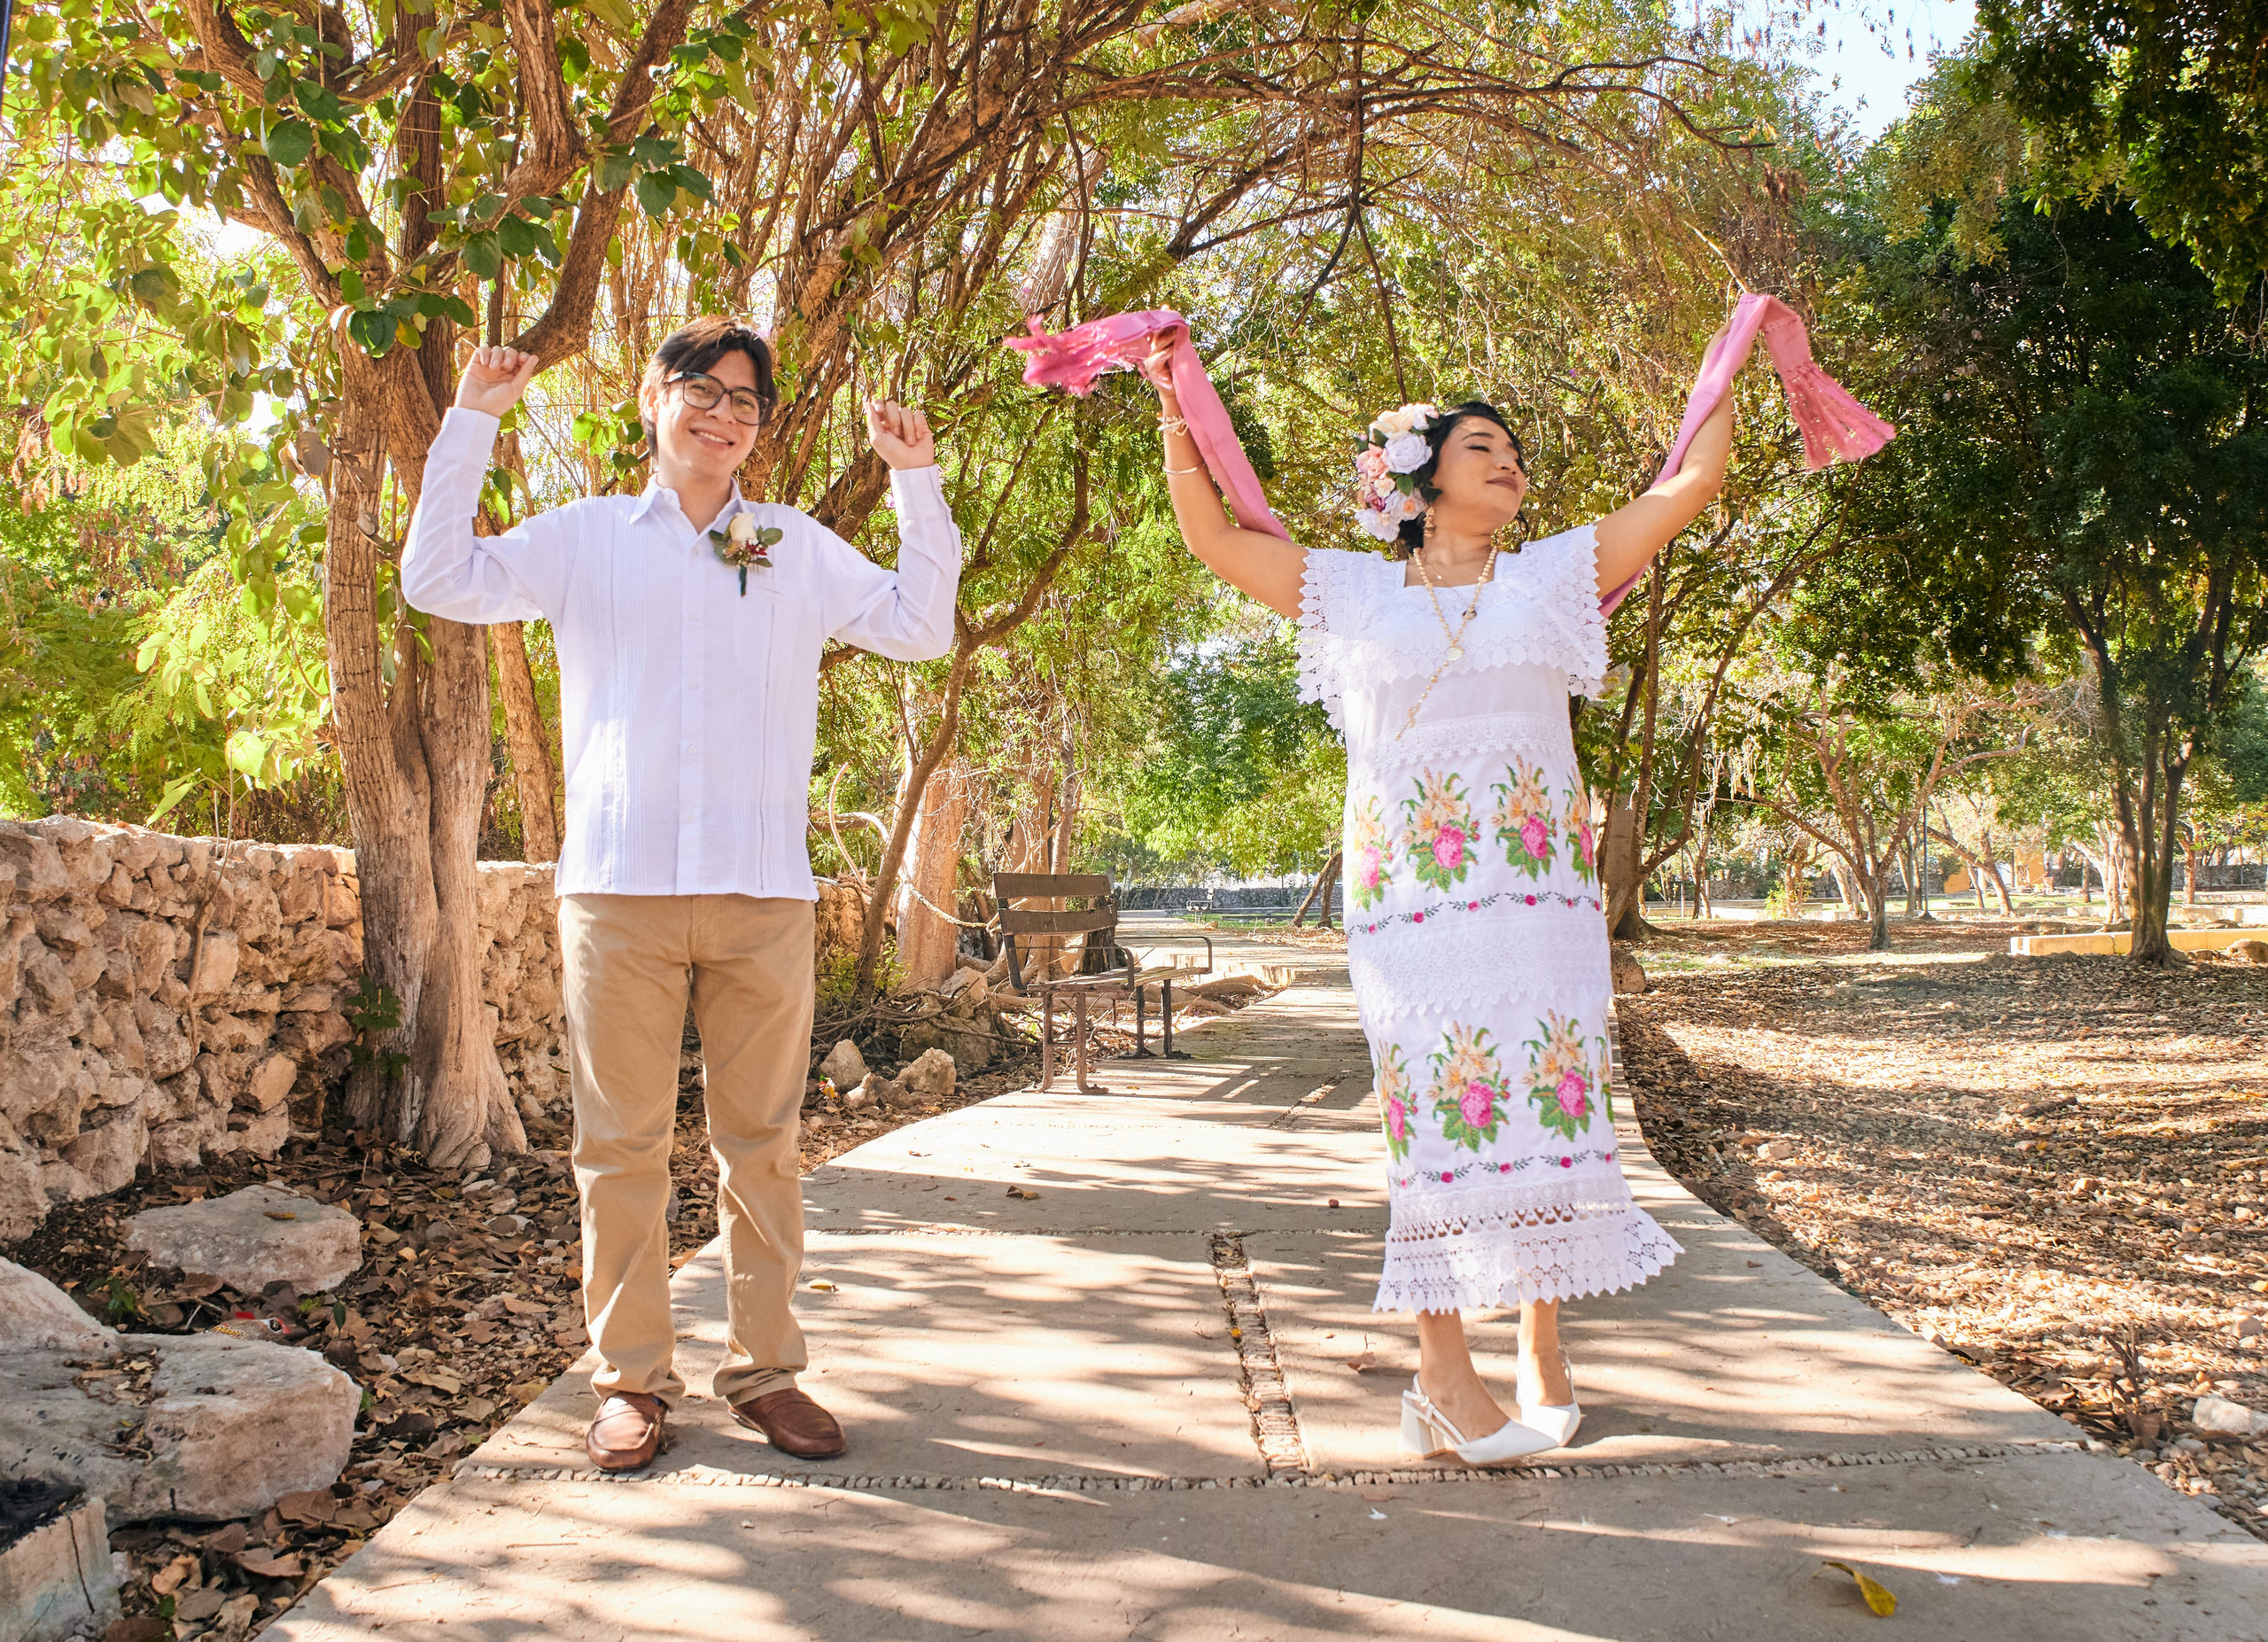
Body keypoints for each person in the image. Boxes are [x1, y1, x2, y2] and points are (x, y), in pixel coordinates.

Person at [1140, 335, 1731, 1463]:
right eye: (1480, 445)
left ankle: (1542, 1345)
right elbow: (1213, 536)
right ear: (1419, 481)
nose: (1508, 461)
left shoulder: (1553, 574)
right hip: (1411, 905)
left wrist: (1742, 348)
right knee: (1439, 1125)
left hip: (1540, 898)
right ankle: (1442, 1373)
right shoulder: (1350, 590)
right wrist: (1175, 416)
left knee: (1553, 1102)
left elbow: (1687, 483)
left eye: (1513, 449)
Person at [403, 319, 962, 1471]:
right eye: (701, 390)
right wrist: (475, 419)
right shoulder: (590, 541)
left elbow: (919, 625)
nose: (723, 412)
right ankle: (630, 1381)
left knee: (761, 1145)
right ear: (654, 402)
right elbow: (436, 577)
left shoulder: (790, 546)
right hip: (620, 897)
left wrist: (916, 483)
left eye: (746, 400)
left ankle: (765, 1370)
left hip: (763, 896)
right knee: (622, 1147)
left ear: (761, 424)